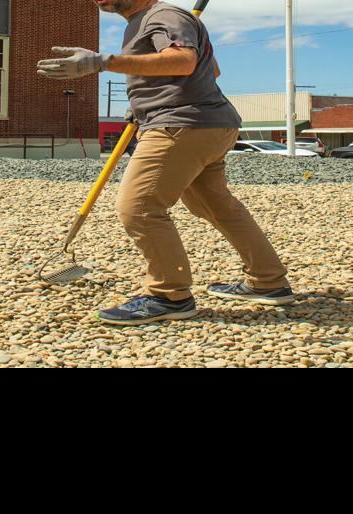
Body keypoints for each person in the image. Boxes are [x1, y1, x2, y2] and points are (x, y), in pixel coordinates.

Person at [38, 0, 295, 326]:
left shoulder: (163, 16)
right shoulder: (144, 21)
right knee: (216, 206)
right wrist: (147, 95)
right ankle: (268, 280)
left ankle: (169, 295)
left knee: (140, 206)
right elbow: (210, 69)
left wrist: (103, 62)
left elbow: (184, 61)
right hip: (205, 123)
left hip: (181, 124)